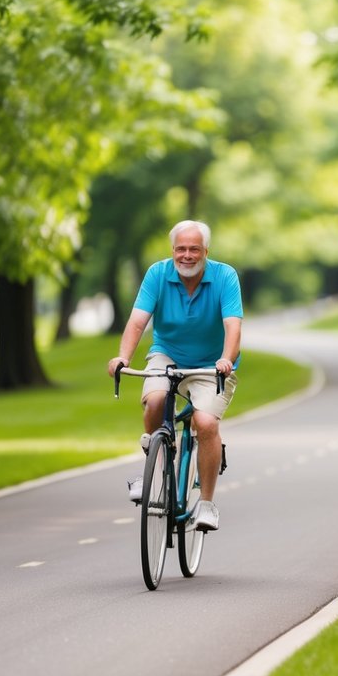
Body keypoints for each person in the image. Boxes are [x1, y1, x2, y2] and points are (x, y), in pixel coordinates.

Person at [107, 220, 243, 531]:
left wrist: (226, 358)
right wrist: (123, 357)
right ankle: (155, 467)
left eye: (194, 249)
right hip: (167, 355)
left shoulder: (225, 276)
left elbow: (233, 325)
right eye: (181, 249)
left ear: (205, 251)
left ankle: (206, 505)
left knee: (205, 424)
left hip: (211, 364)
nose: (187, 255)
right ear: (172, 251)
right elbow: (138, 322)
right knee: (155, 402)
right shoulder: (157, 273)